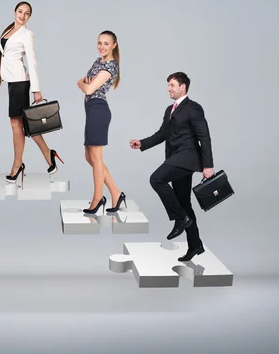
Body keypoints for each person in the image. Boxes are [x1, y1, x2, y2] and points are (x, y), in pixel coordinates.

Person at [130, 72, 214, 262]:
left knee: (156, 179)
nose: (169, 88)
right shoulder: (170, 109)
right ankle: (195, 245)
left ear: (182, 87)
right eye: (168, 85)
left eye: (172, 85)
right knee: (184, 202)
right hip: (175, 158)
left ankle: (180, 218)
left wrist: (208, 165)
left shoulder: (194, 108)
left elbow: (204, 137)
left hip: (187, 158)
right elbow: (162, 134)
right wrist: (141, 143)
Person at [0, 1, 63, 184]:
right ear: (14, 11)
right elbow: (2, 57)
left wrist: (36, 89)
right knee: (25, 125)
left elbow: (32, 61)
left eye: (27, 13)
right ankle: (49, 154)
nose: (22, 15)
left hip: (20, 82)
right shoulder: (8, 30)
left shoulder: (27, 34)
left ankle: (17, 165)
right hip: (11, 82)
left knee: (17, 126)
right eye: (20, 11)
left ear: (29, 17)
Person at [76, 30, 126, 214]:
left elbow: (88, 88)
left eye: (106, 43)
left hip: (98, 110)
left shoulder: (111, 66)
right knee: (89, 157)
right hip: (91, 111)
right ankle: (116, 192)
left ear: (114, 45)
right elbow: (87, 84)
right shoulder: (99, 62)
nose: (102, 46)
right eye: (99, 43)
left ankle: (98, 198)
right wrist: (84, 83)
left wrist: (80, 83)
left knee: (96, 158)